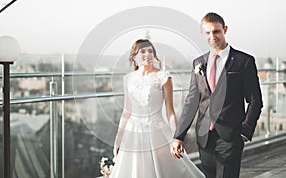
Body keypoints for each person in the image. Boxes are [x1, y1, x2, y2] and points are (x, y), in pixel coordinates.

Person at [171, 12, 263, 178]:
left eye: (216, 31)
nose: (212, 36)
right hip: (204, 136)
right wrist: (179, 136)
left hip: (231, 135)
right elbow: (192, 101)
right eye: (207, 32)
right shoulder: (198, 63)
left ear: (225, 30)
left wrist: (245, 131)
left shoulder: (244, 61)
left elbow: (255, 100)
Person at [110, 39, 205, 178]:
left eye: (150, 51)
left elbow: (170, 112)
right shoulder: (128, 79)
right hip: (133, 132)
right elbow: (126, 111)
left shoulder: (163, 77)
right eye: (143, 51)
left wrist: (176, 138)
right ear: (134, 56)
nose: (147, 54)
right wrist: (118, 141)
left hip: (157, 131)